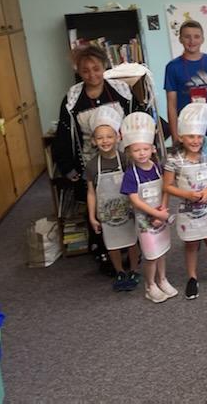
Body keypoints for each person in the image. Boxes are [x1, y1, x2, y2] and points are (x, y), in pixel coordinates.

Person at [52, 45, 138, 265]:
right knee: (100, 205)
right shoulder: (72, 99)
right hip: (91, 163)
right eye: (85, 71)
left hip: (123, 159)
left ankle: (131, 245)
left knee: (127, 200)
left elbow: (137, 120)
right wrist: (67, 166)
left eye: (96, 69)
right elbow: (64, 134)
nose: (92, 75)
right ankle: (105, 250)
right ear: (78, 72)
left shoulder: (121, 91)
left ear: (104, 66)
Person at [164, 20, 207, 241]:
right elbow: (171, 104)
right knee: (189, 176)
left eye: (196, 36)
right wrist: (175, 135)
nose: (191, 40)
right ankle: (194, 218)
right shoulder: (173, 67)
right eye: (187, 36)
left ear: (202, 38)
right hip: (187, 133)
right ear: (180, 39)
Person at [162, 103, 207, 300]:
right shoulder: (174, 158)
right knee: (191, 243)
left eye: (199, 136)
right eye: (191, 136)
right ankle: (192, 277)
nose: (196, 141)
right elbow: (167, 186)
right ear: (181, 137)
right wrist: (186, 194)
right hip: (187, 208)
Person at [119, 112, 176, 303]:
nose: (142, 153)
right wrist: (156, 214)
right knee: (151, 255)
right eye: (137, 150)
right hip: (145, 221)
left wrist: (163, 209)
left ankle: (162, 279)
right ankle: (150, 285)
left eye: (145, 149)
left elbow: (166, 188)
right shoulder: (130, 174)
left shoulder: (157, 167)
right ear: (129, 152)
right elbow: (135, 201)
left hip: (161, 215)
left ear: (152, 148)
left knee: (162, 251)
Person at [85, 106, 140, 291]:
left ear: (118, 137)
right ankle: (120, 272)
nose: (105, 141)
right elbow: (91, 192)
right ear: (93, 141)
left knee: (132, 241)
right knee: (112, 244)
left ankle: (134, 269)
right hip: (106, 214)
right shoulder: (92, 166)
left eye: (109, 136)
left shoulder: (125, 160)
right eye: (100, 138)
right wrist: (92, 217)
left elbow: (136, 184)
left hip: (128, 210)